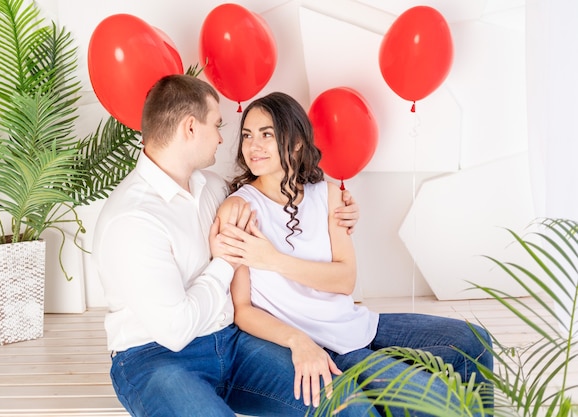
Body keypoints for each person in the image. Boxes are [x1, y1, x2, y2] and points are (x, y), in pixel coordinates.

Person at [91, 75, 367, 417]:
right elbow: (175, 332)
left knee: (347, 404)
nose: (224, 138)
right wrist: (223, 262)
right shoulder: (132, 219)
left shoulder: (212, 187)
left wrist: (342, 210)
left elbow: (276, 192)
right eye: (217, 125)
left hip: (233, 346)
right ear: (191, 128)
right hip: (156, 359)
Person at [215, 92, 494, 416]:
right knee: (429, 402)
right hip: (327, 346)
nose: (253, 146)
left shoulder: (330, 195)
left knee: (474, 341)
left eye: (267, 134)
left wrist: (273, 260)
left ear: (295, 143)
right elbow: (243, 309)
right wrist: (297, 340)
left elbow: (345, 280)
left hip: (358, 324)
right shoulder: (239, 207)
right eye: (248, 135)